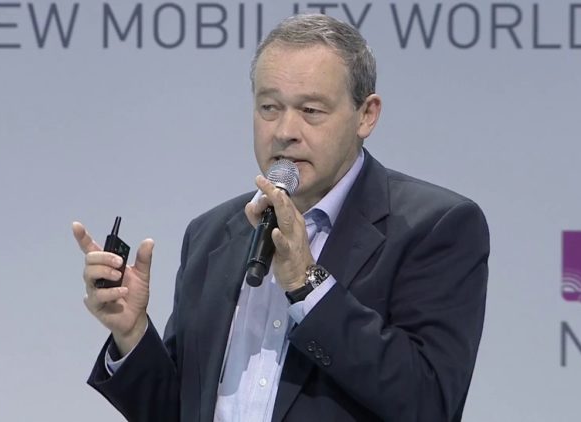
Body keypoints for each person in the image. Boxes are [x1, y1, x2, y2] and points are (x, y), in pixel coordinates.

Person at [72, 13, 489, 422]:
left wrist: (308, 284)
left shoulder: (437, 227)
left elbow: (430, 402)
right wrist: (132, 333)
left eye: (311, 110)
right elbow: (179, 411)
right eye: (269, 107)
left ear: (366, 115)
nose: (285, 130)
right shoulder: (211, 234)